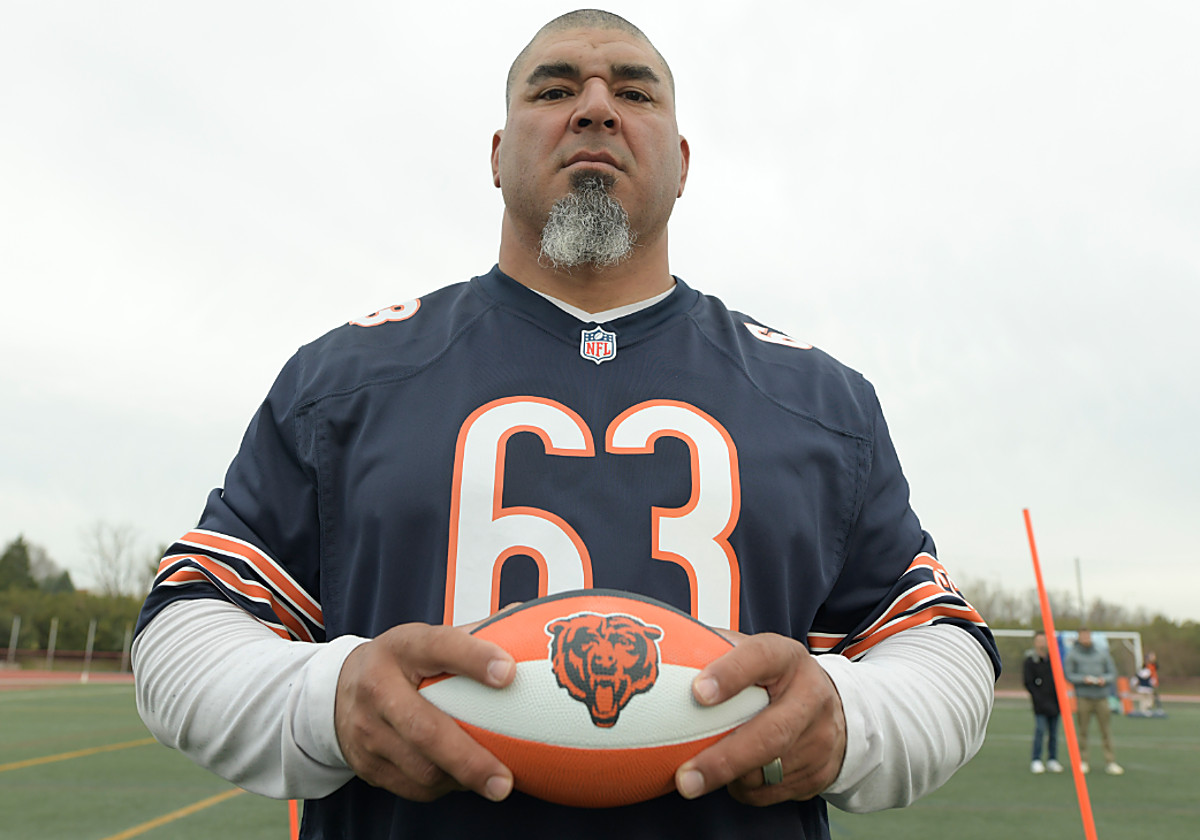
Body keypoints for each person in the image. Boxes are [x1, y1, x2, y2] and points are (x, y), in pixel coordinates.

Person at [131, 9, 1000, 839]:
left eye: (635, 90)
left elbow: (941, 649)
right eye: (553, 91)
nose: (594, 106)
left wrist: (848, 719)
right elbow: (182, 630)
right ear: (500, 155)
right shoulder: (345, 379)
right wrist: (329, 699)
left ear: (683, 160)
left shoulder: (818, 400)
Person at [1064, 628, 1123, 775]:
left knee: (1106, 731)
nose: (1086, 638)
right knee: (1083, 731)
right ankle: (1083, 761)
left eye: (1087, 636)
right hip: (1084, 697)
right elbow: (1069, 675)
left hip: (1102, 697)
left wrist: (1104, 680)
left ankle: (1110, 762)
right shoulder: (1073, 655)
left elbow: (1112, 673)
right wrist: (1084, 679)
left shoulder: (1102, 653)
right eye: (1083, 636)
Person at [1023, 631, 1063, 774]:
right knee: (1040, 731)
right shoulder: (1030, 661)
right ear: (1035, 642)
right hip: (1040, 703)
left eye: (1044, 640)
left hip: (1055, 703)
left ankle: (1052, 759)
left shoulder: (1055, 660)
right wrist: (1038, 697)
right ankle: (1036, 759)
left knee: (1054, 733)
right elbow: (1028, 683)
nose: (1042, 643)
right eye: (1039, 640)